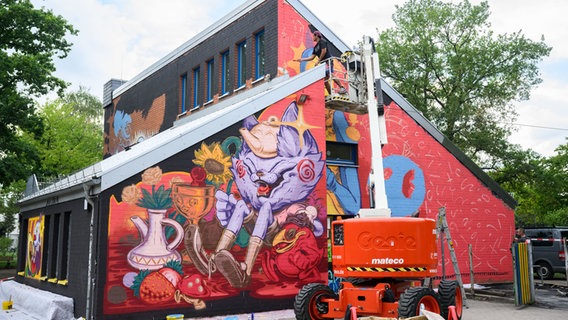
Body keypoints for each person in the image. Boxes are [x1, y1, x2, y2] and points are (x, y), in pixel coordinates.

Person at [294, 30, 347, 95]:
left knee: (330, 73)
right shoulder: (315, 47)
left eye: (313, 35)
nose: (312, 37)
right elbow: (312, 57)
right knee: (325, 79)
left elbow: (324, 51)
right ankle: (331, 94)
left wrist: (318, 60)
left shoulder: (322, 41)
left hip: (328, 61)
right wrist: (302, 59)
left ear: (316, 35)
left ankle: (342, 87)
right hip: (323, 63)